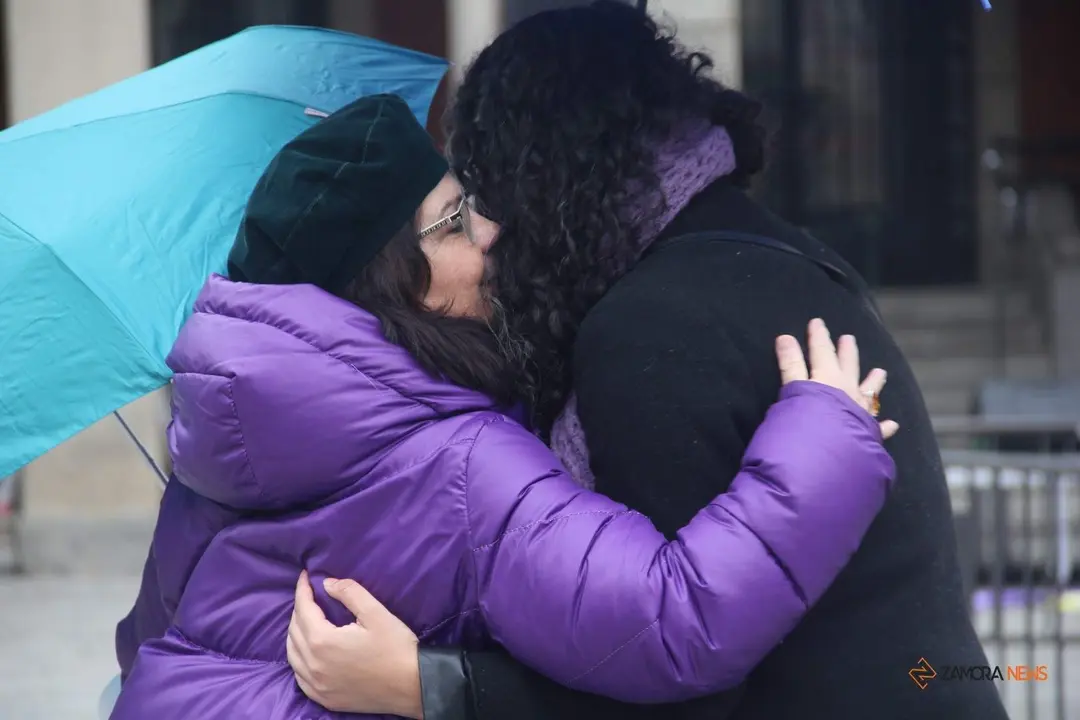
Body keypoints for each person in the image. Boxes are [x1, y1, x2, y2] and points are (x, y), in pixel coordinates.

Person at [283, 4, 1008, 720]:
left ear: (536, 180)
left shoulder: (655, 323)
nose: (487, 236)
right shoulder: (777, 257)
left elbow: (672, 676)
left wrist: (428, 685)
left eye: (481, 197)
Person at [111, 93, 895, 719]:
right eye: (452, 223)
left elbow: (144, 646)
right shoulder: (463, 464)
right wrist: (826, 438)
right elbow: (675, 621)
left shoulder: (215, 454)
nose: (490, 233)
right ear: (385, 284)